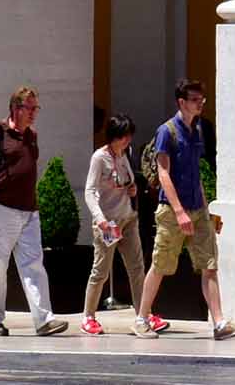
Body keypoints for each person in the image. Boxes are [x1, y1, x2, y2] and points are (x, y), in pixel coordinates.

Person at [138, 79, 235, 340]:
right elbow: (164, 173)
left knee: (209, 265)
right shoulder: (167, 131)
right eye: (196, 100)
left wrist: (206, 210)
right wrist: (179, 212)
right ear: (182, 102)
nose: (200, 104)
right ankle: (141, 318)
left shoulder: (197, 130)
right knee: (160, 265)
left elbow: (195, 173)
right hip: (172, 211)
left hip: (197, 208)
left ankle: (219, 323)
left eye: (202, 100)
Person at [0, 86, 67, 337]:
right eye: (29, 108)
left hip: (29, 212)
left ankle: (44, 320)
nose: (33, 113)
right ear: (15, 108)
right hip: (0, 209)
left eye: (35, 108)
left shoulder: (32, 135)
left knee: (34, 265)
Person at [79, 117, 148, 333]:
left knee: (137, 269)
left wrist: (132, 189)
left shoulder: (123, 155)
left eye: (129, 135)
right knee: (101, 271)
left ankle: (143, 314)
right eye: (123, 135)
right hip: (109, 223)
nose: (127, 140)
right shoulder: (99, 158)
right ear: (113, 136)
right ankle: (88, 316)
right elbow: (89, 191)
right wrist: (100, 219)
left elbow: (127, 182)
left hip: (127, 219)